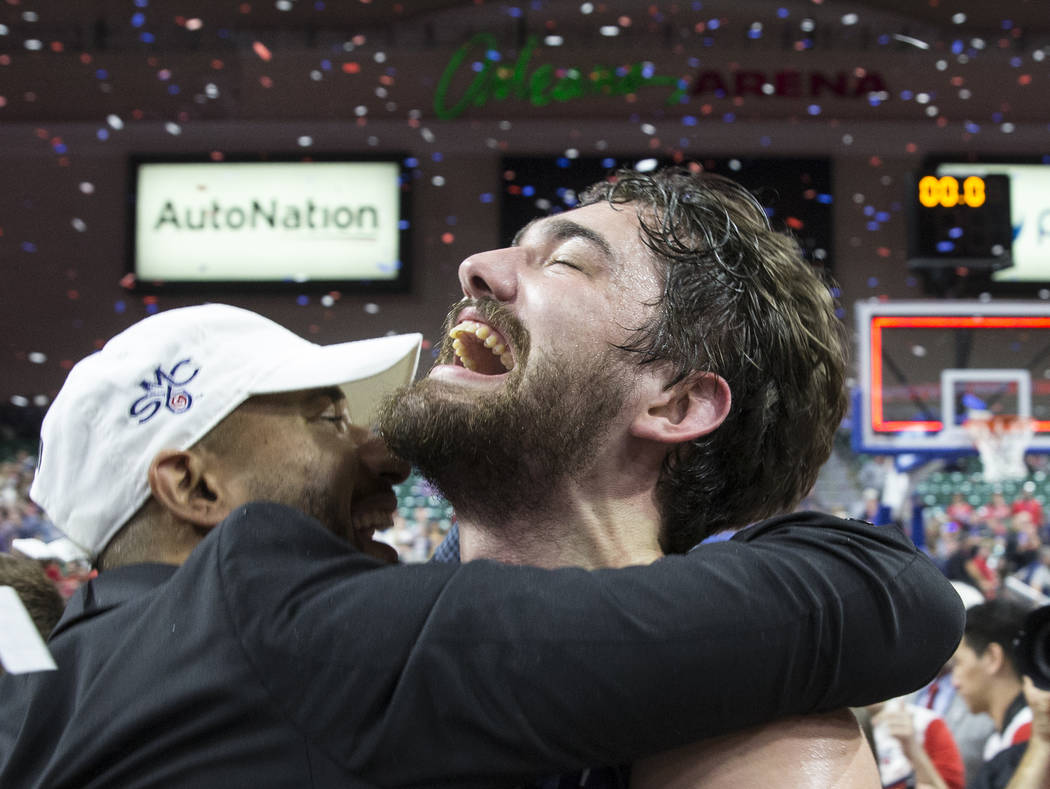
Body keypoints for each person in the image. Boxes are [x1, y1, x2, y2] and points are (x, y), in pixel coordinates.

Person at [0, 304, 963, 788]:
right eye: (333, 417)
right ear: (195, 487)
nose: (383, 447)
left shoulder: (45, 674)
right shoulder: (265, 614)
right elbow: (884, 599)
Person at [376, 165, 959, 785]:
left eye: (566, 262)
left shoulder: (756, 738)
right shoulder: (364, 625)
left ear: (676, 405)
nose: (477, 267)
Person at [952, 598, 1036, 788]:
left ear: (992, 658)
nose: (954, 682)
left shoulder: (1029, 736)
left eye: (959, 663)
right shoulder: (1002, 738)